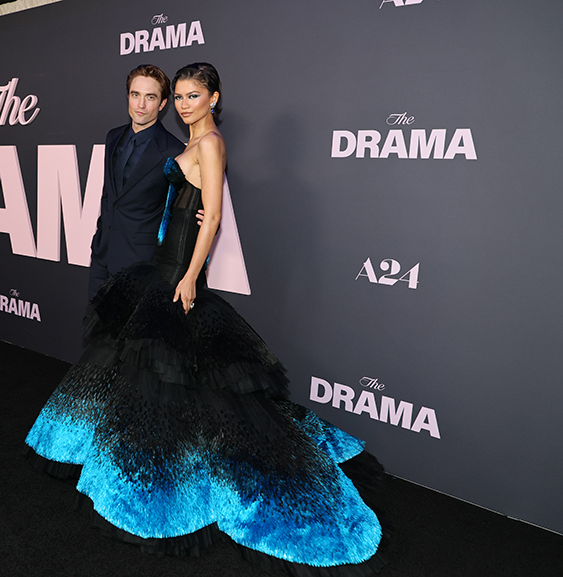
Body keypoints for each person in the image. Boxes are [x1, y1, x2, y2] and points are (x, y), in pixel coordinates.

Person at [26, 63, 384, 575]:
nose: (183, 105)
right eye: (179, 97)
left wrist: (192, 274)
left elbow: (212, 216)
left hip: (178, 273)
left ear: (214, 98)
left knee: (172, 381)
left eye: (193, 96)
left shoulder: (210, 143)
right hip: (161, 262)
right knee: (154, 373)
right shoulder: (192, 142)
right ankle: (139, 461)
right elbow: (185, 203)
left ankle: (165, 482)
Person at [87, 64, 186, 300]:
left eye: (150, 97)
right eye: (135, 95)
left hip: (140, 265)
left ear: (162, 104)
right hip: (102, 256)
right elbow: (110, 195)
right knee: (93, 323)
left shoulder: (174, 151)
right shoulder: (113, 137)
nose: (140, 105)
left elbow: (181, 211)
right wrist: (100, 238)